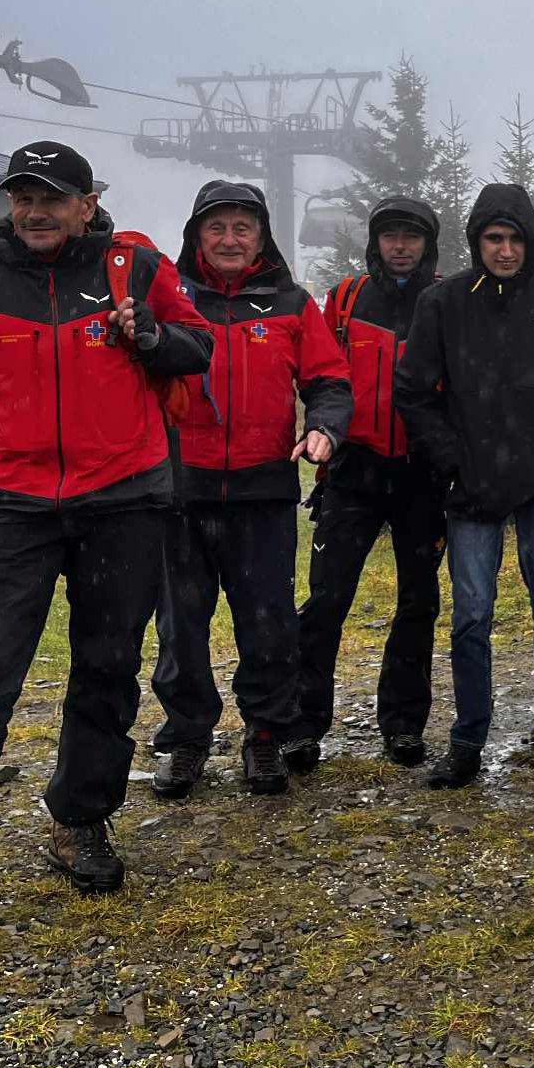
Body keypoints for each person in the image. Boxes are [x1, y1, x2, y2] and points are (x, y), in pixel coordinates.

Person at [0, 142, 211, 948]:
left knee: (107, 668)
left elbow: (199, 350)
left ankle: (80, 819)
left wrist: (150, 336)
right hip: (8, 506)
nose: (34, 211)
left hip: (122, 499)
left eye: (51, 197)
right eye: (23, 197)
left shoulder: (136, 271)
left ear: (87, 205)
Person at [395, 184, 534, 790]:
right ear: (477, 241)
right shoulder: (444, 302)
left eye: (515, 238)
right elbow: (413, 390)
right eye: (494, 238)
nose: (505, 250)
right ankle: (467, 741)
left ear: (530, 241)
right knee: (471, 618)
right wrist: (451, 460)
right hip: (472, 487)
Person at [151, 182, 352, 800]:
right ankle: (187, 737)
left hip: (263, 491)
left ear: (262, 238)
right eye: (217, 228)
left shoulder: (290, 304)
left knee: (269, 625)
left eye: (243, 228)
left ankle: (265, 733)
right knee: (181, 626)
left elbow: (330, 380)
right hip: (180, 490)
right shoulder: (170, 299)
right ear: (196, 235)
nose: (229, 239)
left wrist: (324, 428)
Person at [285, 197, 447, 772]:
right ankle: (303, 725)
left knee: (418, 603)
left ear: (428, 244)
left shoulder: (445, 301)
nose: (400, 246)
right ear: (375, 242)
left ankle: (403, 724)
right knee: (326, 601)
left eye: (411, 236)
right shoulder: (347, 299)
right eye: (390, 235)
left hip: (422, 476)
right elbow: (320, 375)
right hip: (353, 472)